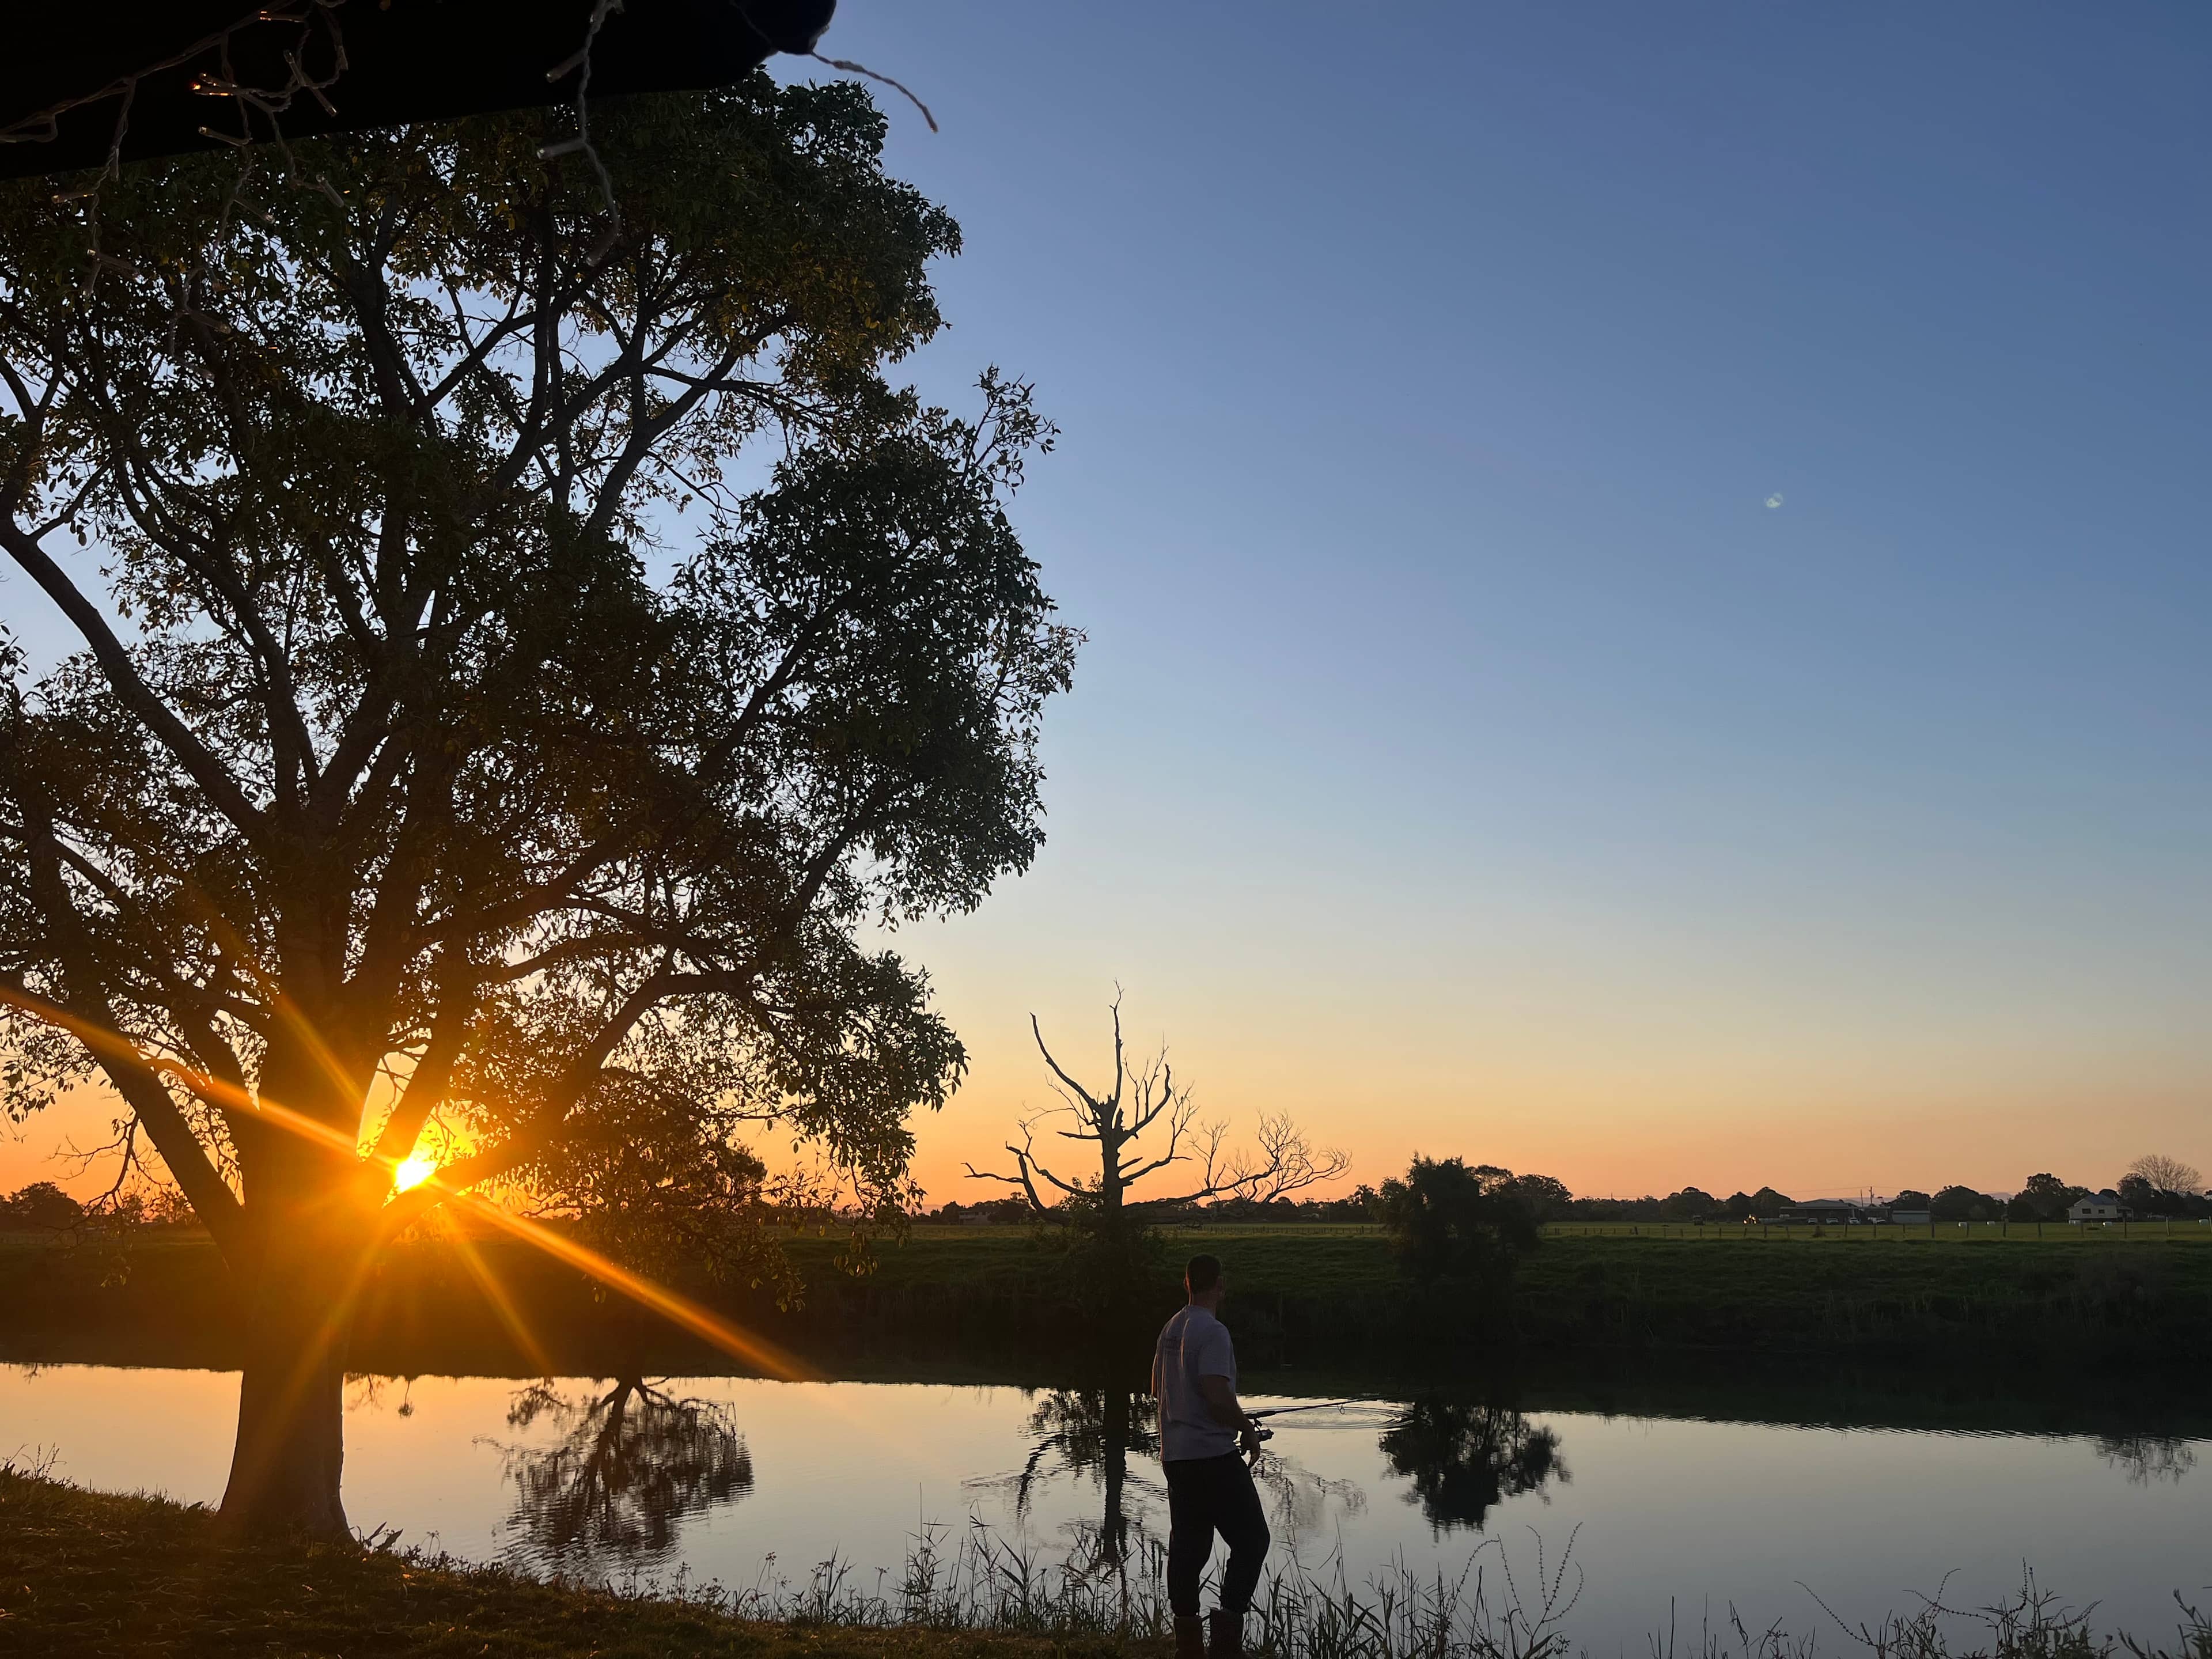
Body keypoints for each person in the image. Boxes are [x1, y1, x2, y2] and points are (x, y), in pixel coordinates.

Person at [1151, 1253, 1270, 1659]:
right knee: (1253, 1540)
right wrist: (1246, 1429)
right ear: (1219, 1284)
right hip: (1213, 1458)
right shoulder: (1214, 1331)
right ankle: (1226, 1640)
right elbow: (1217, 1394)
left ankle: (1188, 1645)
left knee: (1190, 1544)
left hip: (1176, 1456)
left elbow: (1157, 1389)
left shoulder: (1171, 1328)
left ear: (1187, 1284)